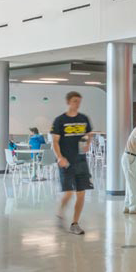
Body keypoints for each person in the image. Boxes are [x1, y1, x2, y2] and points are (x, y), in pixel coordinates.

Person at [51, 91, 95, 235]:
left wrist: (87, 143)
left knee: (81, 193)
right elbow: (55, 142)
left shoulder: (84, 119)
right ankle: (60, 213)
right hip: (66, 162)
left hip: (81, 161)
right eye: (75, 101)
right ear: (68, 102)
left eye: (79, 101)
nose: (77, 104)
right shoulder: (60, 120)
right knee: (69, 193)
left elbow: (89, 134)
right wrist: (59, 157)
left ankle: (75, 223)